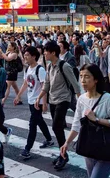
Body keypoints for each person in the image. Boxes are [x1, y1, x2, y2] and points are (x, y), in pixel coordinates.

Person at [60, 64, 110, 178]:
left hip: (106, 149)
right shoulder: (82, 99)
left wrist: (96, 120)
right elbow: (76, 124)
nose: (83, 80)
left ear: (96, 80)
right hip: (89, 148)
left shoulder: (107, 98)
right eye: (81, 76)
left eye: (87, 76)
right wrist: (67, 143)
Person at [34, 41, 81, 170]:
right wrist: (39, 98)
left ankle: (64, 155)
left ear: (53, 52)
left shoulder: (64, 66)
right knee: (57, 128)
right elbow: (47, 84)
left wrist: (80, 99)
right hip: (53, 99)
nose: (44, 53)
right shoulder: (49, 66)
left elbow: (75, 83)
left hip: (63, 99)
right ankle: (62, 153)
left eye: (46, 51)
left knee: (56, 126)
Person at [14, 46, 54, 159]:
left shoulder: (39, 70)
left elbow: (44, 87)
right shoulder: (28, 69)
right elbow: (25, 83)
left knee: (32, 124)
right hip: (31, 100)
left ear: (34, 56)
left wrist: (44, 103)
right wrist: (18, 95)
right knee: (39, 121)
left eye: (27, 55)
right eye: (24, 55)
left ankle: (27, 149)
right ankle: (49, 140)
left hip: (38, 101)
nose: (25, 57)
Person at [0, 41, 22, 105]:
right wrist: (0, 52)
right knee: (15, 86)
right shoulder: (8, 52)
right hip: (8, 71)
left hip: (12, 72)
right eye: (8, 45)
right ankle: (19, 99)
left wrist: (2, 52)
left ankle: (2, 101)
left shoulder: (14, 54)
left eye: (10, 46)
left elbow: (8, 59)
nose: (8, 47)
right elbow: (2, 57)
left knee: (7, 86)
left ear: (13, 47)